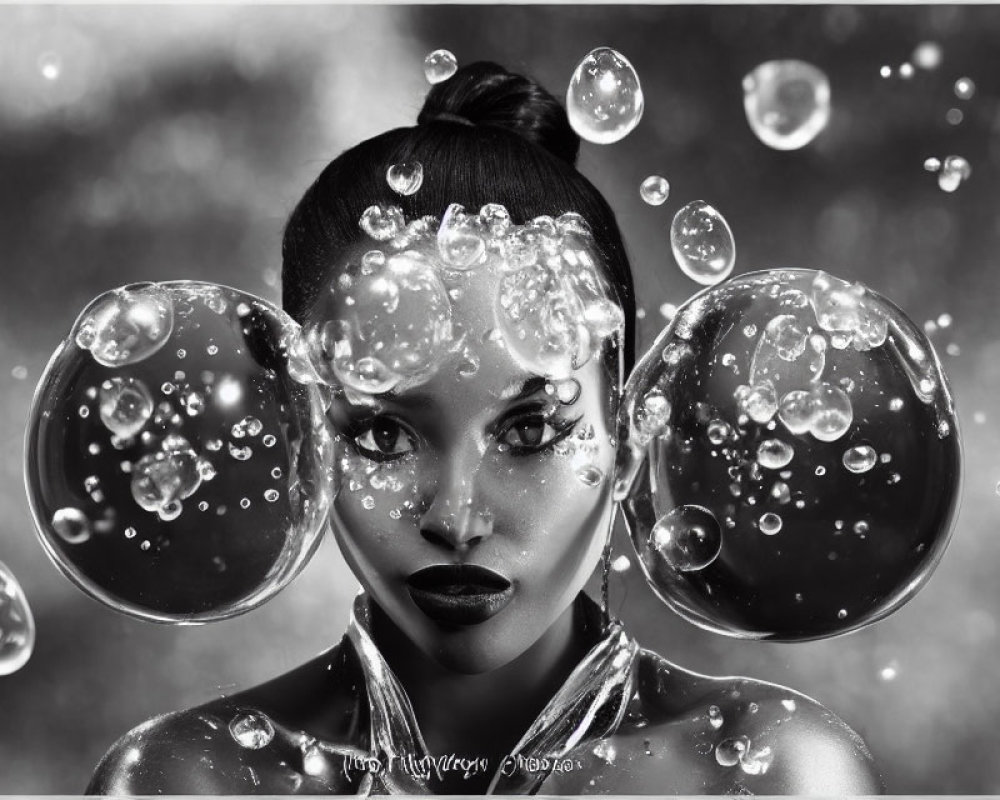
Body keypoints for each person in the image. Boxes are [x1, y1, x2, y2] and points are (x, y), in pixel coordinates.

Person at [86, 61, 883, 795]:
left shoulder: (768, 773)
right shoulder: (195, 781)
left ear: (631, 439)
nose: (454, 517)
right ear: (304, 447)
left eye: (532, 430)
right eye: (382, 435)